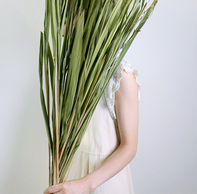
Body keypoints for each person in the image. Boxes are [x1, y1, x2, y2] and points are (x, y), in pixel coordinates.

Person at [43, 59, 140, 194]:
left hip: (103, 182)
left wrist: (85, 185)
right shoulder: (70, 67)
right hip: (70, 177)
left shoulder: (121, 74)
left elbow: (129, 147)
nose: (62, 36)